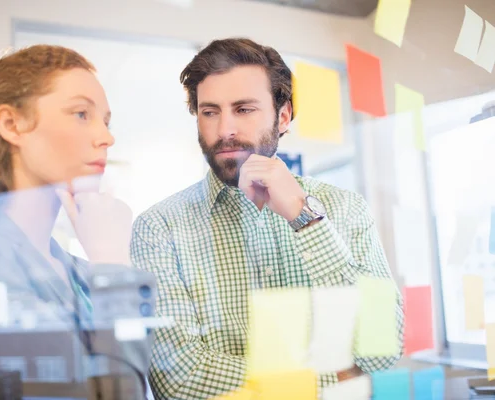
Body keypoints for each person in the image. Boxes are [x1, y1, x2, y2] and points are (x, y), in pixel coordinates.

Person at [130, 38, 403, 399]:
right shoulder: (158, 228)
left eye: (243, 109)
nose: (225, 129)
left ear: (284, 116)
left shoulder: (345, 209)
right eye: (210, 112)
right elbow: (180, 380)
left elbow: (382, 352)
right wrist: (333, 379)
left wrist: (304, 218)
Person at [0, 45, 147, 397]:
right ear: (11, 124)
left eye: (106, 121)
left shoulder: (76, 269)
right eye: (81, 114)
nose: (106, 137)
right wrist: (113, 266)